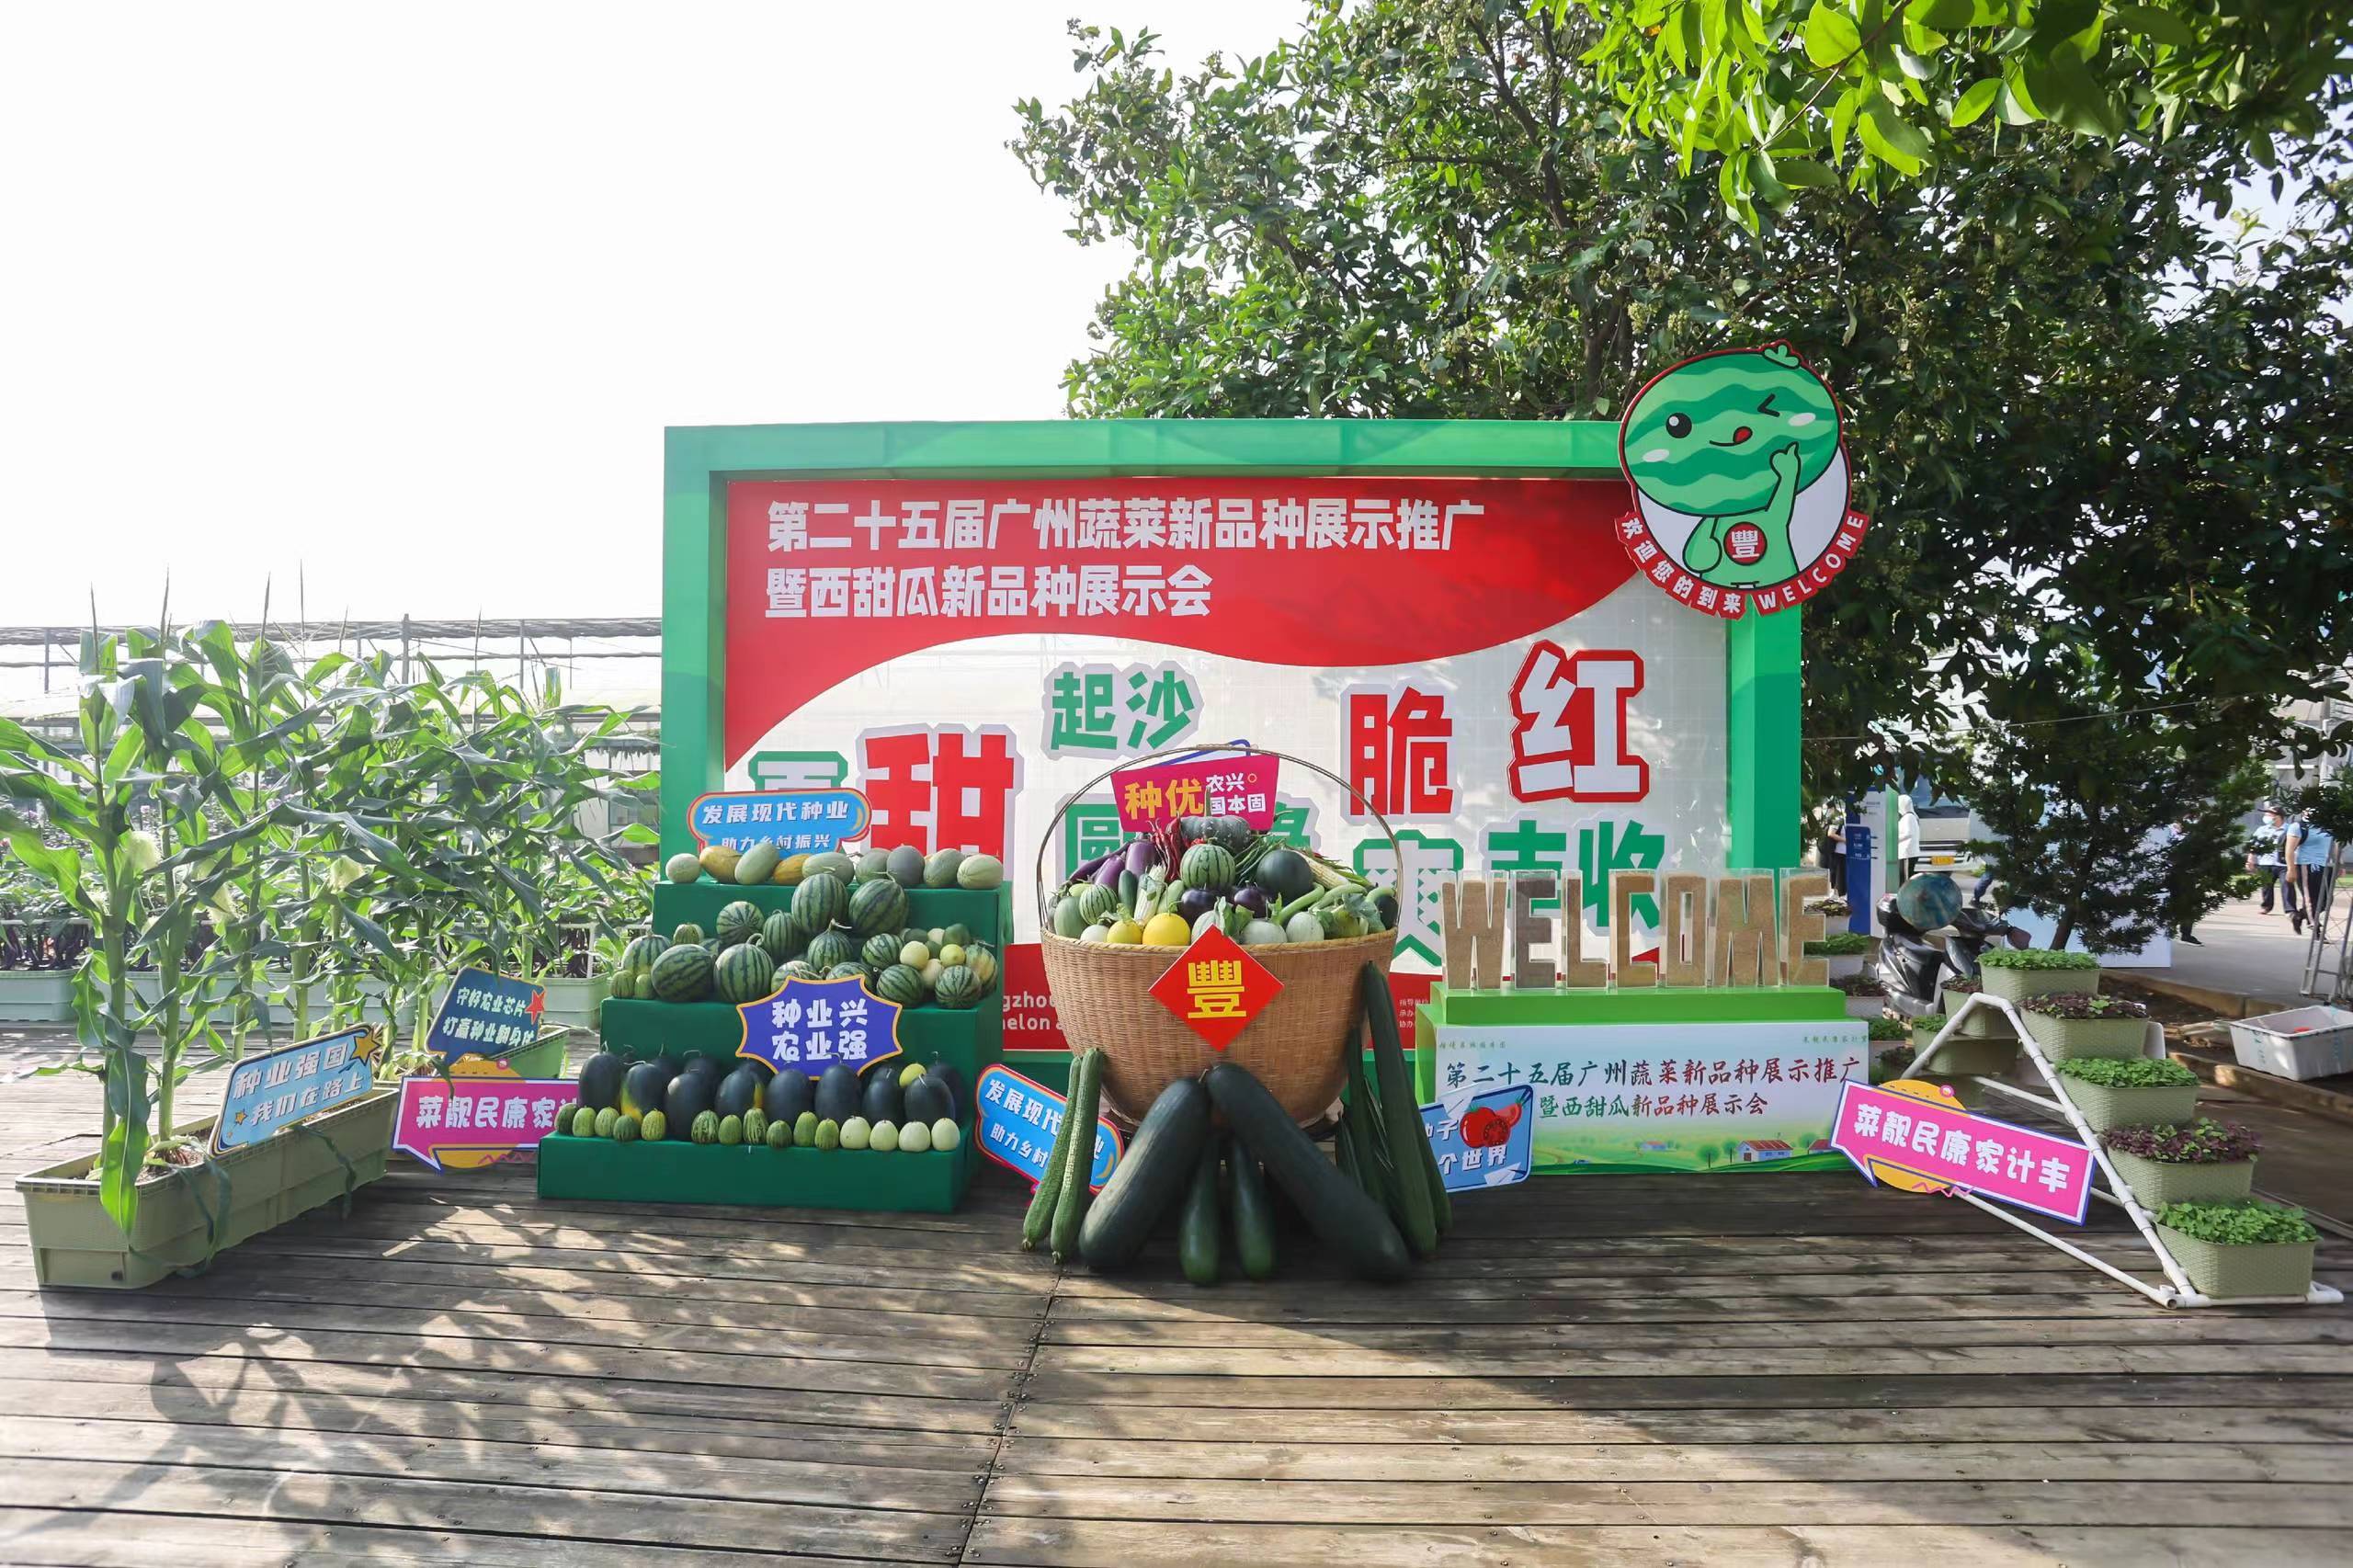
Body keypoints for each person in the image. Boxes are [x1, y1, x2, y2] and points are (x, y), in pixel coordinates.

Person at [2287, 810, 2337, 937]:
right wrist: (2291, 869)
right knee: (2311, 899)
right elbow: (2289, 850)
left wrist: (2338, 862)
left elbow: (2333, 845)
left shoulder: (2327, 827)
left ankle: (2298, 916)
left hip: (2326, 865)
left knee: (2327, 899)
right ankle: (2316, 929)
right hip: (2307, 865)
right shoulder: (2298, 827)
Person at [2247, 806, 2286, 915]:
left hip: (2284, 864)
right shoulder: (2261, 830)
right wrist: (2251, 859)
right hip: (2265, 862)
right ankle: (2266, 907)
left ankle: (2290, 909)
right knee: (2266, 886)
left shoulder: (2289, 829)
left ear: (2278, 816)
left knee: (2286, 886)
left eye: (2269, 814)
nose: (2266, 817)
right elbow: (2253, 845)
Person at [1895, 795, 1921, 885]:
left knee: (1906, 880)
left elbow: (1908, 833)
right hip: (1906, 853)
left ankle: (1906, 893)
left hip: (1907, 853)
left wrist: (1895, 839)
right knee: (1903, 878)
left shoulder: (1908, 817)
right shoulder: (1909, 816)